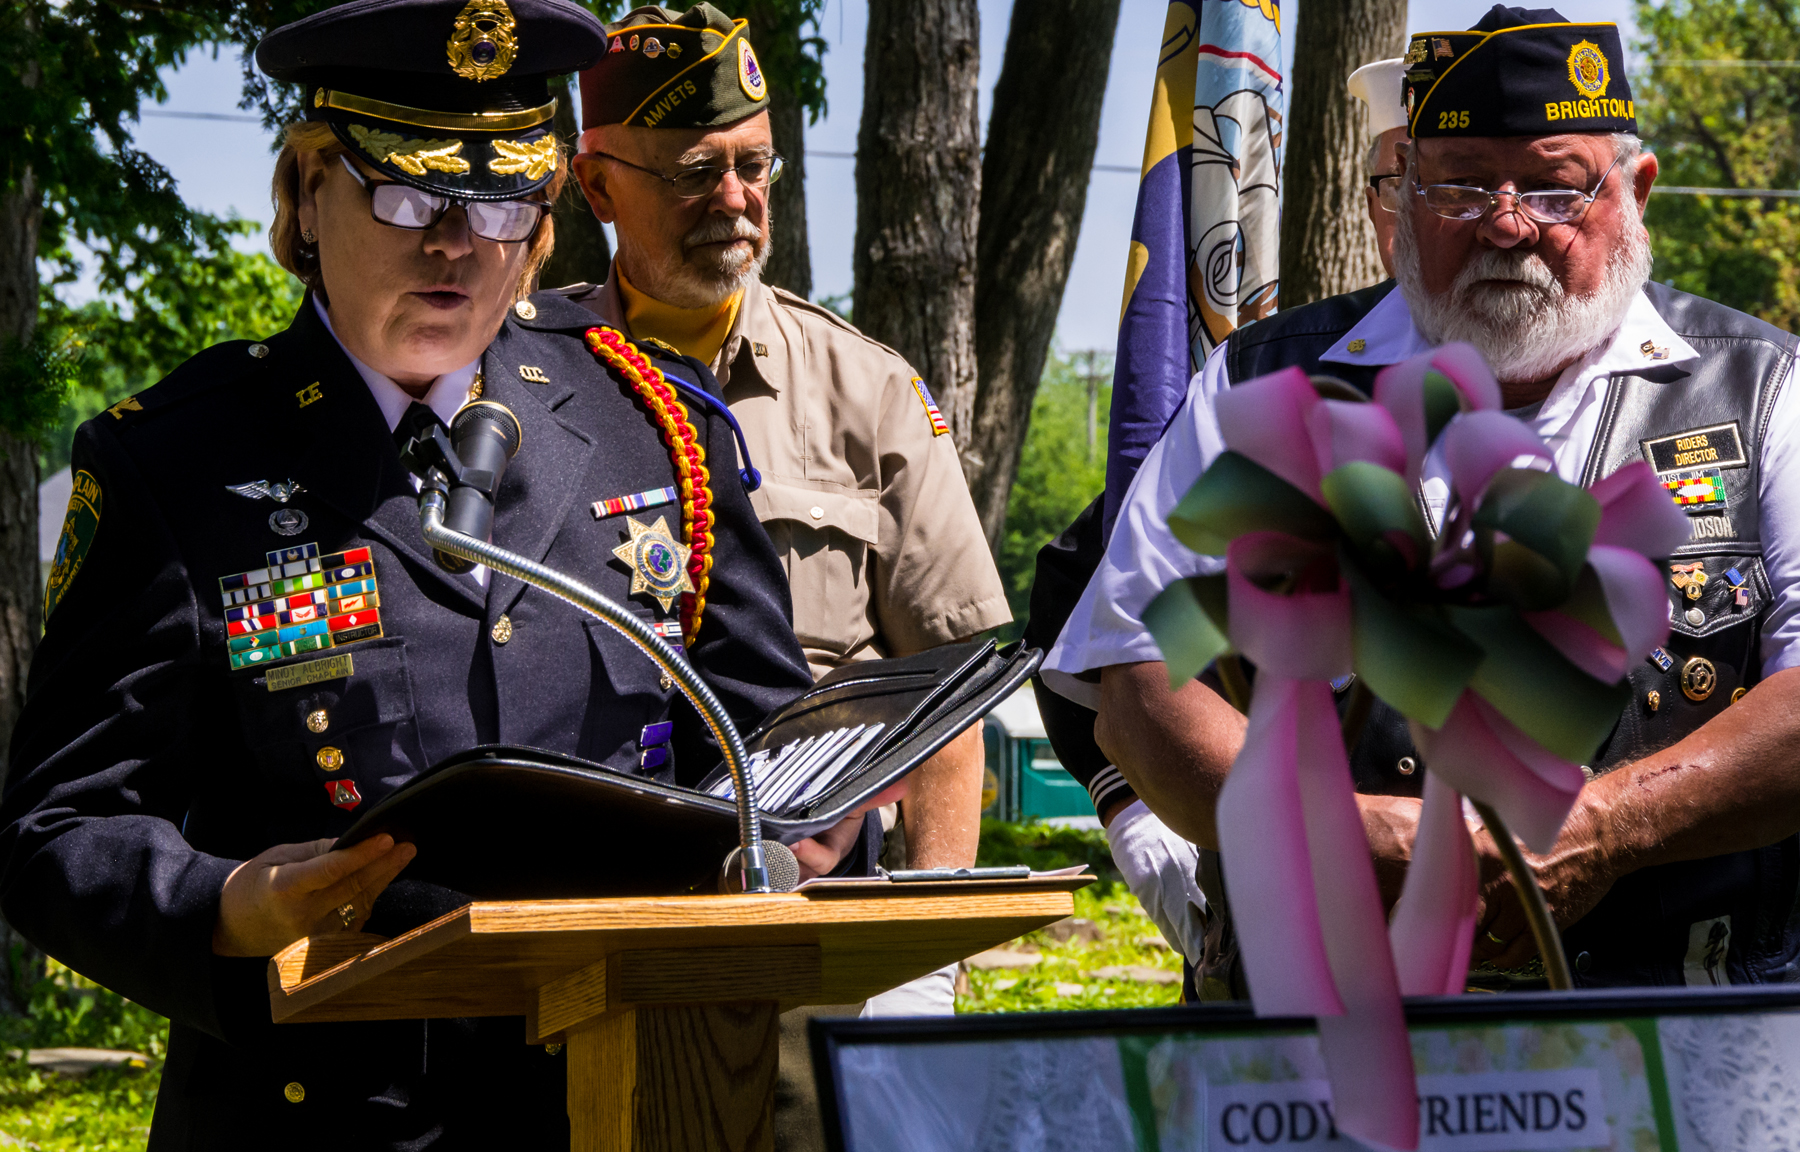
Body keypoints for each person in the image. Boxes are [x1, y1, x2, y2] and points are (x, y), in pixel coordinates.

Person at [0, 0, 839, 1144]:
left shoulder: (655, 427)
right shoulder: (175, 463)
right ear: (306, 194)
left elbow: (764, 735)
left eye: (501, 203)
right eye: (409, 195)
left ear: (545, 219)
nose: (457, 242)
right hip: (319, 1106)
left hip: (626, 1089)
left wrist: (802, 836)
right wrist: (229, 905)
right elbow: (60, 828)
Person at [1047, 4, 1800, 989]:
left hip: (1691, 1061)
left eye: (1554, 189)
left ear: (1637, 190)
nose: (1507, 223)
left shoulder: (1767, 391)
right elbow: (1143, 688)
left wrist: (1610, 826)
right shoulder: (1265, 385)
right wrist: (1347, 835)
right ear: (1401, 197)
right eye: (1458, 190)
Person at [562, 7, 1011, 1145]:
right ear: (598, 185)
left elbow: (948, 690)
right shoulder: (525, 387)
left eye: (752, 164)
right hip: (583, 939)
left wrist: (924, 959)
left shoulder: (867, 394)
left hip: (820, 948)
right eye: (692, 172)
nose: (733, 198)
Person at [1346, 56, 1410, 277]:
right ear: (1372, 208)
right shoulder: (1329, 314)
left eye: (1446, 184)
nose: (1418, 211)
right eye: (1399, 185)